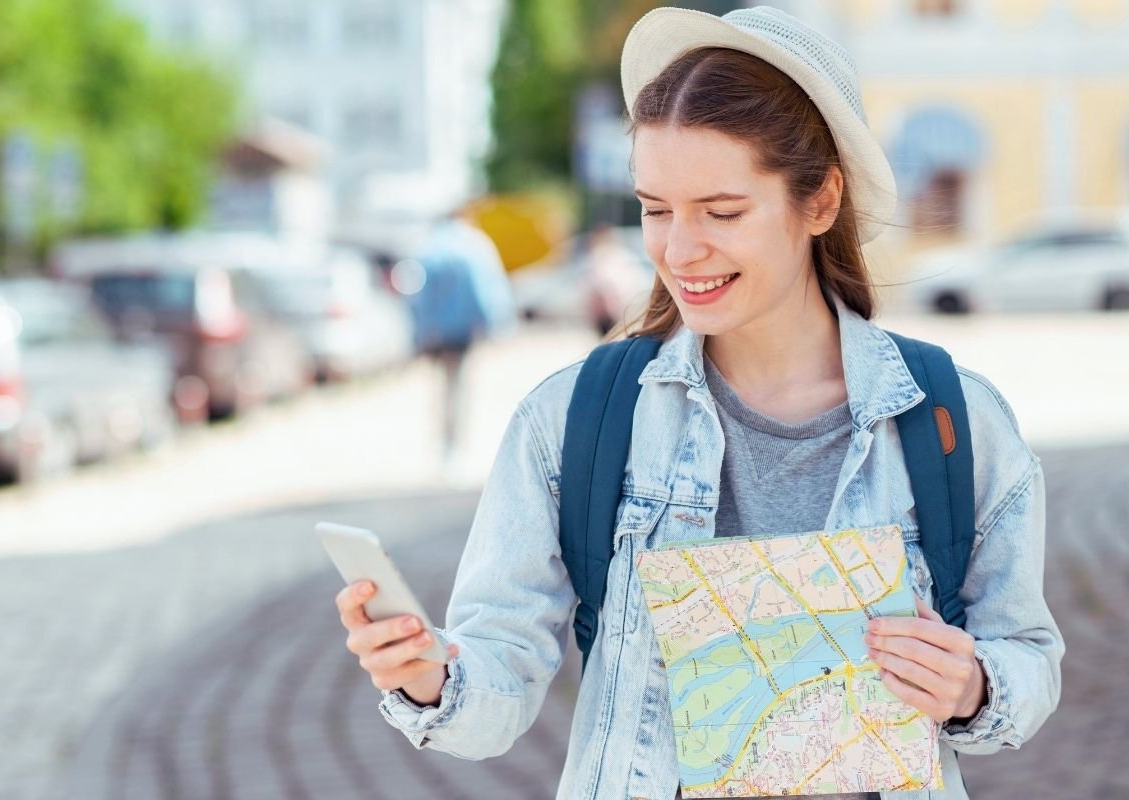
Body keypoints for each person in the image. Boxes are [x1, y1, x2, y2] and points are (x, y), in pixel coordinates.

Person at [336, 7, 1063, 799]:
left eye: (721, 213)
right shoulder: (572, 421)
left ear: (820, 202)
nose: (680, 250)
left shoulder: (950, 420)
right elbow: (497, 678)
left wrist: (973, 687)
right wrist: (430, 676)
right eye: (654, 209)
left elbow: (1026, 654)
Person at [407, 206, 514, 464]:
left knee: (440, 386)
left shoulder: (428, 246)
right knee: (459, 386)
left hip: (435, 332)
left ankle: (441, 442)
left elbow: (416, 294)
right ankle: (454, 444)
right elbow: (486, 289)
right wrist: (495, 325)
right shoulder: (473, 245)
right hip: (462, 330)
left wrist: (420, 331)